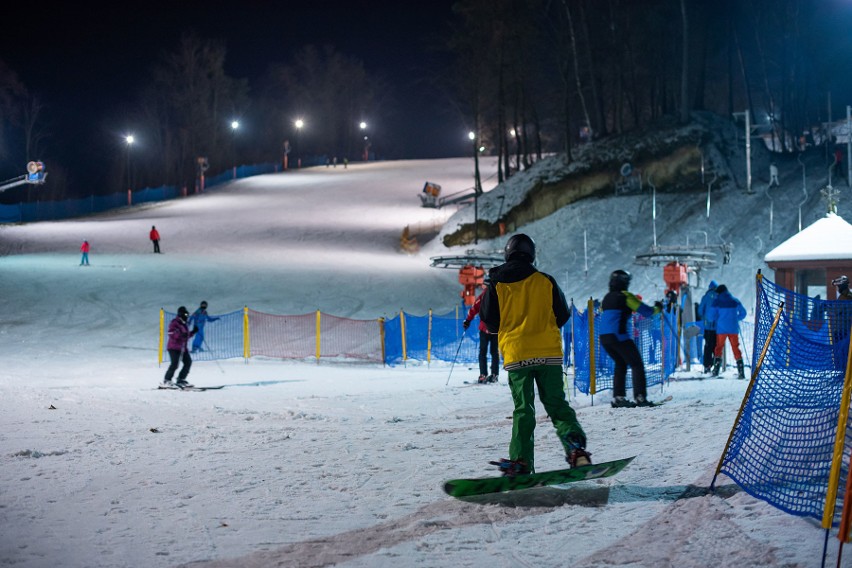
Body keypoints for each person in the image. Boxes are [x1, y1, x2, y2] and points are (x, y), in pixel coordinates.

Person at [480, 233, 590, 475]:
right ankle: (575, 449)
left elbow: (489, 322)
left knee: (523, 410)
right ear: (532, 254)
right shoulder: (545, 281)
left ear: (507, 254)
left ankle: (520, 462)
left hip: (517, 355)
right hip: (548, 353)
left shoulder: (496, 285)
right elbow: (562, 315)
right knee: (557, 405)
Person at [599, 269, 663, 407]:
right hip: (619, 335)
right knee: (637, 364)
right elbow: (647, 312)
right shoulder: (626, 296)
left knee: (621, 363)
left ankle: (618, 398)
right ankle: (640, 397)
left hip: (605, 337)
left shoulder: (607, 297)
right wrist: (658, 307)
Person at [706, 284, 747, 379]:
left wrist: (718, 319)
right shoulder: (734, 300)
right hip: (733, 328)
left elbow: (710, 317)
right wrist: (736, 318)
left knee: (719, 348)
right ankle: (741, 371)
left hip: (721, 329)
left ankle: (716, 370)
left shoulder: (717, 302)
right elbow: (743, 313)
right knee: (735, 348)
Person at [463, 291, 499, 383]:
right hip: (496, 329)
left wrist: (468, 320)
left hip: (484, 328)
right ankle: (494, 374)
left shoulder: (484, 295)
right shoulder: (501, 293)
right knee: (494, 352)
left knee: (483, 352)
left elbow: (474, 307)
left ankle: (483, 374)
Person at [163, 306, 196, 388]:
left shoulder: (184, 324)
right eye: (185, 315)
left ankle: (181, 379)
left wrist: (193, 332)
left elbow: (186, 337)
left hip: (183, 348)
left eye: (187, 315)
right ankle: (167, 380)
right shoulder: (174, 323)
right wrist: (180, 334)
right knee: (174, 364)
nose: (186, 317)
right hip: (174, 347)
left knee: (188, 362)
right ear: (180, 314)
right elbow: (171, 334)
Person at [696, 281, 719, 374]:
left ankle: (707, 366)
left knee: (708, 346)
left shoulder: (705, 297)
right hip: (718, 327)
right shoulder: (720, 297)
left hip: (708, 327)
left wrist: (704, 318)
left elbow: (700, 311)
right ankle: (716, 366)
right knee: (717, 347)